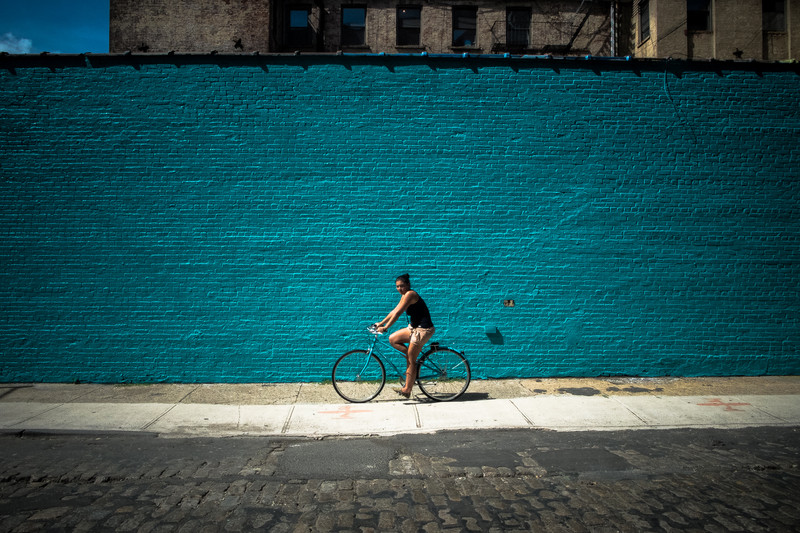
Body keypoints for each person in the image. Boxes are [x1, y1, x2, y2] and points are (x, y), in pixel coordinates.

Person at [374, 273, 435, 398]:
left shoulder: (410, 294)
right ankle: (411, 358)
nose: (399, 289)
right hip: (414, 328)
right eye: (397, 286)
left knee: (411, 360)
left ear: (408, 285)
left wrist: (385, 328)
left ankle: (407, 389)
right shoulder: (404, 295)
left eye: (402, 286)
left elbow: (398, 313)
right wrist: (380, 323)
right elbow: (394, 311)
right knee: (393, 339)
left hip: (423, 330)